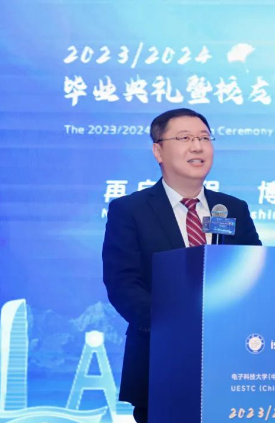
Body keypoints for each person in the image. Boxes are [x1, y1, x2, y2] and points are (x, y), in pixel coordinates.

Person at [102, 108, 262, 423]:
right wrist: (175, 328)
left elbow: (253, 273)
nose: (197, 146)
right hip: (161, 364)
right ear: (158, 151)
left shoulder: (232, 208)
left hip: (230, 366)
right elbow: (123, 284)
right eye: (185, 138)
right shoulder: (130, 210)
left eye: (204, 138)